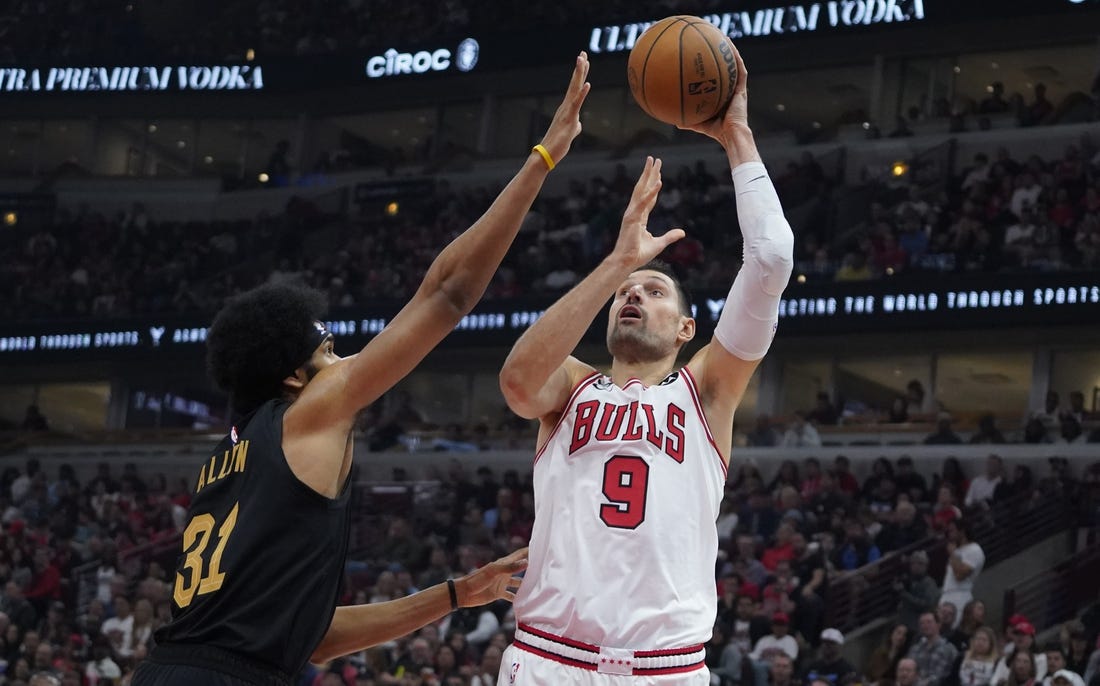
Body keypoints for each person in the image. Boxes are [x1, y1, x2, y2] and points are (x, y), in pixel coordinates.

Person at [131, 52, 594, 686]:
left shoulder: (228, 461)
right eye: (328, 354)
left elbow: (312, 640)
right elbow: (448, 293)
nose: (348, 362)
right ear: (294, 378)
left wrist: (458, 593)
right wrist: (542, 158)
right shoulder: (307, 415)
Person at [496, 45, 794, 684]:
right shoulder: (572, 386)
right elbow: (518, 383)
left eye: (655, 291)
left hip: (666, 670)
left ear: (689, 329)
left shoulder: (708, 390)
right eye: (629, 291)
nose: (635, 294)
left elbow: (771, 260)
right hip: (550, 659)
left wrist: (735, 132)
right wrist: (616, 265)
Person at [940, 520, 985, 624]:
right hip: (946, 594)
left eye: (952, 530)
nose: (949, 534)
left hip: (960, 594)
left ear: (962, 531)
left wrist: (953, 555)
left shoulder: (974, 549)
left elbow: (960, 575)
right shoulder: (957, 550)